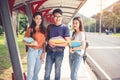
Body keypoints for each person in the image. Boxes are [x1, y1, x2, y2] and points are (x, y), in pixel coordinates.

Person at [44, 9, 70, 80]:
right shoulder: (50, 27)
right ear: (53, 17)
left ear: (62, 17)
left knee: (57, 72)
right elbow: (46, 38)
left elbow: (67, 43)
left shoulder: (65, 28)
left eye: (59, 16)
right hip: (49, 52)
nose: (57, 18)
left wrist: (55, 44)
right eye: (55, 16)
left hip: (59, 53)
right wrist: (49, 42)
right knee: (47, 71)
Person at [23, 12, 46, 80]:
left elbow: (44, 42)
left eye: (40, 18)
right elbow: (24, 41)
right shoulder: (30, 29)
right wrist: (32, 44)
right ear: (33, 19)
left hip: (40, 51)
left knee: (36, 72)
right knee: (30, 72)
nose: (39, 20)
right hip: (32, 51)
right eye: (37, 18)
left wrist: (43, 53)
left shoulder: (44, 29)